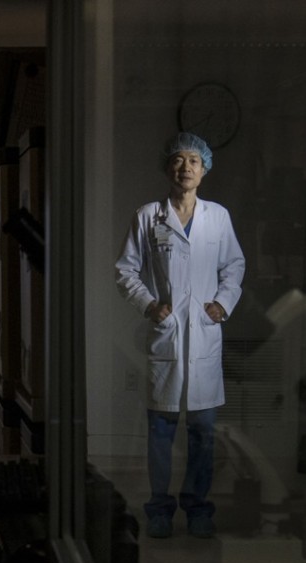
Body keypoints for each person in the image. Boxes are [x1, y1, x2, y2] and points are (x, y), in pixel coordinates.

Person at [115, 132, 245, 539]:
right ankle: (158, 508)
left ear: (204, 169)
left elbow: (235, 264)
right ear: (166, 167)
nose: (185, 167)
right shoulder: (147, 216)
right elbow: (125, 270)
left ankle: (198, 508)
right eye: (177, 160)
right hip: (168, 339)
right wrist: (151, 306)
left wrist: (221, 304)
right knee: (160, 431)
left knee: (203, 432)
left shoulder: (218, 217)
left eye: (193, 160)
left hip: (203, 339)